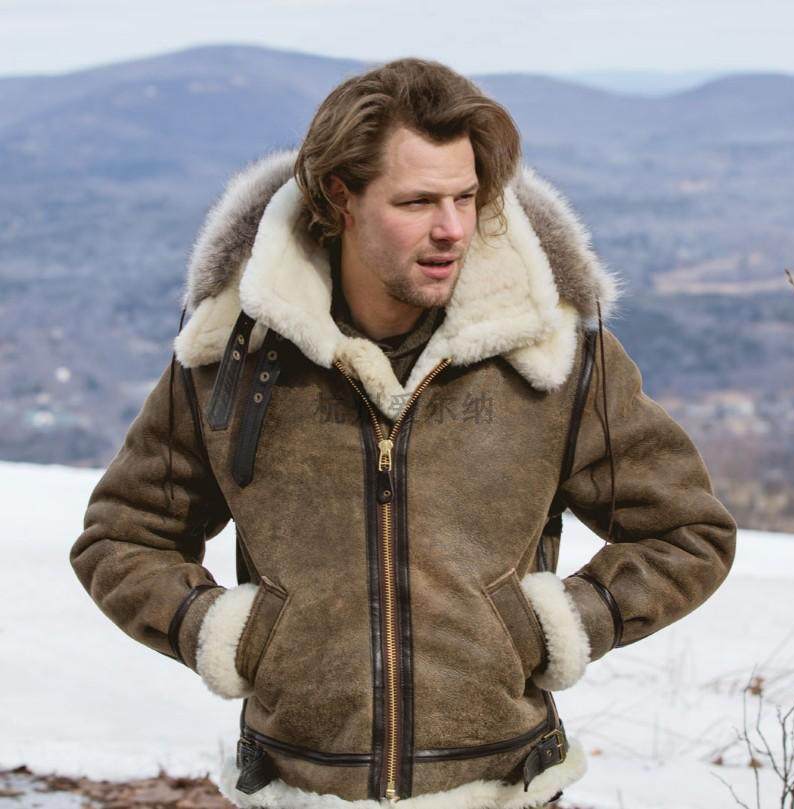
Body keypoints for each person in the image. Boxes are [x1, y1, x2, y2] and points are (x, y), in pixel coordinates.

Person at [69, 57, 737, 808]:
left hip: (503, 787)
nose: (451, 229)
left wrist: (554, 624)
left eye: (466, 197)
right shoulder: (231, 355)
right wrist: (224, 631)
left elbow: (688, 531)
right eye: (417, 202)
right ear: (341, 198)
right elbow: (121, 537)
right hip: (297, 788)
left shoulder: (553, 356)